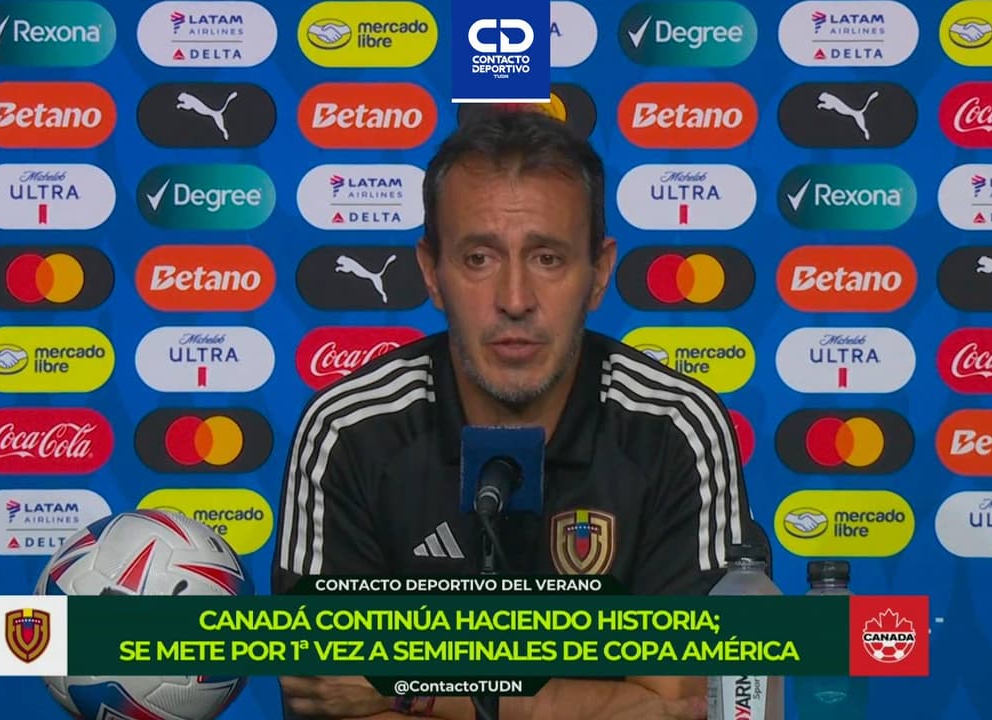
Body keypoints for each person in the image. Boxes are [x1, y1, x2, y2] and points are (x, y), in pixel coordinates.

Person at [272, 108, 757, 720]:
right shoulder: (349, 430)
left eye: (547, 258)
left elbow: (690, 702)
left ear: (599, 273)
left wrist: (422, 684)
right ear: (431, 273)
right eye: (479, 258)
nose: (515, 300)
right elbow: (328, 696)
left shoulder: (675, 427)